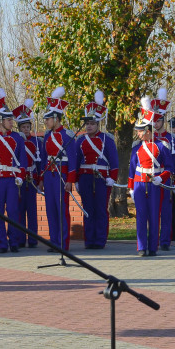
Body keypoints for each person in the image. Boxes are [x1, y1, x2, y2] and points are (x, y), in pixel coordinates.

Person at [69, 91, 119, 249]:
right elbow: (76, 161)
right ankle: (89, 240)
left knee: (101, 210)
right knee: (88, 209)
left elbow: (114, 161)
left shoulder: (107, 139)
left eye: (92, 123)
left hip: (102, 177)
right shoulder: (81, 140)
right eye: (87, 123)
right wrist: (76, 180)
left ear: (98, 124)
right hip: (85, 177)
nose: (89, 126)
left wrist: (113, 177)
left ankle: (100, 240)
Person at [0, 93, 27, 254]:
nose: (12, 122)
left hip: (13, 179)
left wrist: (21, 177)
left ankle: (14, 241)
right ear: (1, 121)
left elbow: (23, 160)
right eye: (9, 120)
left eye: (12, 120)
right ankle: (2, 243)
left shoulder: (18, 138)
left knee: (14, 211)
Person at [128, 97, 170, 257]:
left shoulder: (161, 146)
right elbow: (132, 168)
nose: (138, 134)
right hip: (139, 183)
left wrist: (162, 177)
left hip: (155, 183)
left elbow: (170, 168)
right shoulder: (136, 148)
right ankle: (141, 247)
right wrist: (131, 187)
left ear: (148, 131)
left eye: (140, 131)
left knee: (154, 216)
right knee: (140, 216)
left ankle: (153, 247)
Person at [41, 87, 75, 251]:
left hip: (62, 174)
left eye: (48, 119)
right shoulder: (47, 136)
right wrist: (41, 179)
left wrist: (70, 180)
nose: (46, 122)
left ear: (56, 118)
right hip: (49, 176)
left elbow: (73, 160)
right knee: (50, 209)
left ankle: (63, 243)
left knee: (62, 210)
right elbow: (43, 158)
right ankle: (53, 241)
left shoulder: (67, 135)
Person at [151, 88, 175, 250]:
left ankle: (165, 241)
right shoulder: (150, 138)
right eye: (153, 121)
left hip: (167, 177)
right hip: (152, 177)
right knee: (153, 211)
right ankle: (153, 240)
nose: (155, 124)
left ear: (163, 120)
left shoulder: (172, 139)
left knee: (166, 212)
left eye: (158, 120)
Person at [13, 99, 42, 248]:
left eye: (27, 126)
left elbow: (40, 163)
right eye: (23, 127)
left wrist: (40, 180)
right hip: (19, 179)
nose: (26, 129)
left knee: (31, 211)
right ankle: (19, 239)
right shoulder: (15, 141)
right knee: (19, 210)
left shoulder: (37, 142)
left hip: (31, 179)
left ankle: (32, 239)